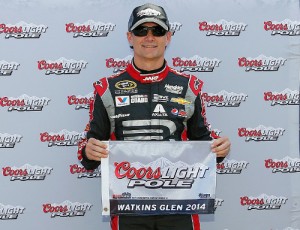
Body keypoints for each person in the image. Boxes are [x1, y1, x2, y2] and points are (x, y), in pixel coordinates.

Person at [77, 3, 231, 230]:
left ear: (168, 37)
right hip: (128, 205)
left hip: (180, 204)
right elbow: (90, 147)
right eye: (141, 31)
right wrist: (88, 150)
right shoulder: (107, 89)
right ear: (130, 37)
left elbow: (202, 139)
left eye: (157, 31)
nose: (149, 37)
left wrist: (219, 148)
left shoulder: (189, 87)